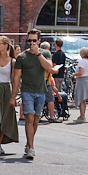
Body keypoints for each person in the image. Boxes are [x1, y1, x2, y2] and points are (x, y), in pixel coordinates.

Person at [11, 29, 55, 160]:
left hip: (41, 91)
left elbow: (49, 67)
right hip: (27, 91)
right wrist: (13, 96)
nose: (31, 43)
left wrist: (38, 54)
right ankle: (31, 147)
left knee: (36, 119)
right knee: (29, 118)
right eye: (29, 40)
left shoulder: (45, 53)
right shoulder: (22, 57)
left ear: (39, 41)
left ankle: (28, 143)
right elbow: (16, 77)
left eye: (34, 41)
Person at [71, 47, 88, 122]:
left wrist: (74, 74)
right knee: (83, 99)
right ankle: (83, 115)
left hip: (81, 81)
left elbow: (81, 72)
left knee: (81, 98)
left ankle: (82, 115)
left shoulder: (81, 62)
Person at [40, 41, 59, 123]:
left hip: (37, 80)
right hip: (46, 81)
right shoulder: (46, 54)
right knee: (50, 99)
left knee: (38, 99)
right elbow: (49, 68)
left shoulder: (36, 54)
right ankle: (52, 116)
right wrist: (55, 71)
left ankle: (37, 116)